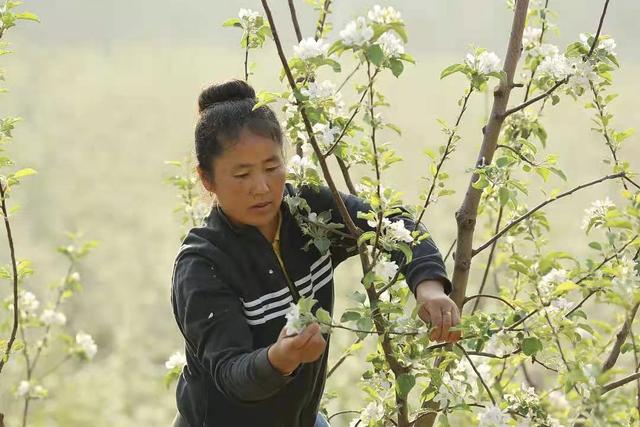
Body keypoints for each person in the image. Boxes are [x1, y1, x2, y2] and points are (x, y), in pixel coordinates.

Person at [170, 79, 461, 427]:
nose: (261, 187)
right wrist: (280, 358)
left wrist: (429, 288)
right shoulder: (203, 264)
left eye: (271, 167)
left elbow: (393, 223)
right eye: (242, 174)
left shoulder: (308, 214)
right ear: (207, 179)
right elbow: (232, 376)